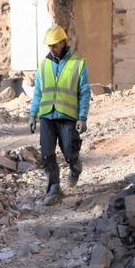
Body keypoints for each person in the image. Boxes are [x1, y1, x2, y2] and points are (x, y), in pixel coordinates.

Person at [28, 25, 90, 205]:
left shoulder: (78, 63)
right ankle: (54, 187)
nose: (51, 49)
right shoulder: (44, 64)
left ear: (63, 42)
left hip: (68, 116)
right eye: (49, 46)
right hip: (47, 116)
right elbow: (38, 92)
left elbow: (85, 92)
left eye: (55, 45)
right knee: (47, 153)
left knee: (70, 151)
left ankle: (75, 166)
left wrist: (82, 117)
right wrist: (33, 115)